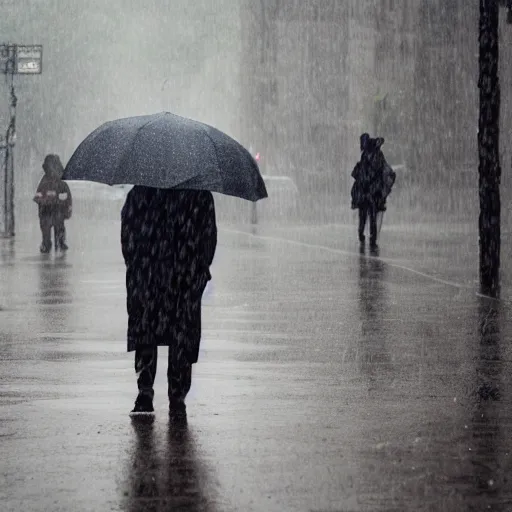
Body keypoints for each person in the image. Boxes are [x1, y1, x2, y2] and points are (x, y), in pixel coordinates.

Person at [121, 187, 217, 415]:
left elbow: (128, 236)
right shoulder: (199, 196)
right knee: (182, 333)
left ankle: (145, 389)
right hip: (185, 276)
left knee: (146, 330)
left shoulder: (140, 194)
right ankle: (177, 394)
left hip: (148, 274)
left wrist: (137, 266)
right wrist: (199, 269)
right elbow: (208, 238)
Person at [351, 135, 395, 247]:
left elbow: (362, 173)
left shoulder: (366, 155)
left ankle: (363, 234)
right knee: (372, 215)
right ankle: (372, 237)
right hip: (373, 191)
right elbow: (381, 171)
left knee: (364, 215)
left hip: (366, 191)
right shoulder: (376, 155)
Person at [33, 154, 72, 253]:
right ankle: (53, 243)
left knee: (56, 228)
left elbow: (66, 196)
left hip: (52, 211)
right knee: (53, 229)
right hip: (49, 211)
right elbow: (39, 196)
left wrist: (57, 201)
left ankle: (54, 243)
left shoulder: (51, 181)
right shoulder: (50, 181)